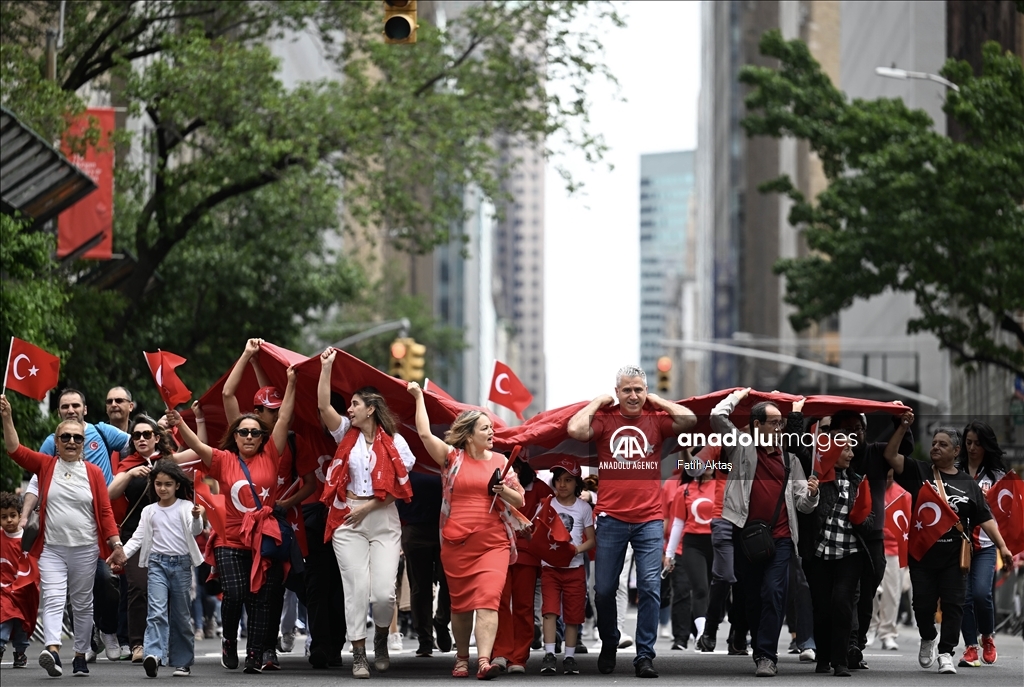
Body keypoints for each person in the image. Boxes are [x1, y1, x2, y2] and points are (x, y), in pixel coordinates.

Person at [566, 365, 696, 678]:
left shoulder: (656, 420)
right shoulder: (604, 420)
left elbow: (689, 419)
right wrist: (597, 402)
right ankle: (609, 641)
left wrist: (657, 401)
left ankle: (644, 656)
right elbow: (574, 429)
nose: (633, 395)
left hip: (650, 520)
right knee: (604, 589)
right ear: (618, 392)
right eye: (627, 390)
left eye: (639, 389)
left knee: (651, 588)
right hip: (610, 519)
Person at [165, 367, 296, 675]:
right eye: (243, 432)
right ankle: (228, 639)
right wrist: (179, 424)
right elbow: (197, 447)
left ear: (263, 436)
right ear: (234, 436)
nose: (249, 436)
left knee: (263, 599)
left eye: (254, 432)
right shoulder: (223, 460)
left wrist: (291, 382)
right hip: (230, 540)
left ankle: (254, 655)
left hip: (264, 539)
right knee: (236, 594)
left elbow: (286, 416)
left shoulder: (272, 454)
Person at [0, 394, 128, 678]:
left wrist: (116, 545)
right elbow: (15, 450)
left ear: (84, 443)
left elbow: (105, 513)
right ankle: (54, 650)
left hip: (85, 549)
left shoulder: (94, 473)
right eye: (66, 438)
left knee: (83, 604)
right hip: (52, 549)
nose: (71, 442)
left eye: (77, 439)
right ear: (56, 443)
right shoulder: (46, 466)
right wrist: (7, 417)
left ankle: (80, 655)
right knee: (55, 598)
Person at [408, 382, 527, 680]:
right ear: (469, 433)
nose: (491, 432)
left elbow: (520, 498)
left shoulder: (501, 462)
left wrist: (503, 490)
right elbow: (424, 434)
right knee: (460, 606)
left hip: (493, 543)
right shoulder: (452, 458)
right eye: (485, 428)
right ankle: (462, 658)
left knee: (488, 598)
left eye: (491, 428)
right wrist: (418, 398)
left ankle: (483, 661)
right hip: (456, 543)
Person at [883, 416, 1014, 674]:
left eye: (943, 444)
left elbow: (986, 518)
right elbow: (890, 455)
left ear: (956, 451)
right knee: (922, 605)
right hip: (922, 556)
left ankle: (945, 652)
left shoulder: (968, 483)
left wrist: (1003, 547)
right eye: (933, 443)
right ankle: (928, 637)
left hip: (955, 557)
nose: (935, 447)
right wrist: (903, 427)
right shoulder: (917, 471)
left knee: (955, 605)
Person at [317, 347, 415, 679]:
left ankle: (382, 637)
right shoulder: (346, 434)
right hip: (347, 518)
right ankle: (358, 653)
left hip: (383, 519)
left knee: (384, 593)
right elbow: (323, 405)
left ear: (370, 409)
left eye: (356, 404)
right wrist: (326, 367)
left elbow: (399, 490)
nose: (350, 409)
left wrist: (370, 506)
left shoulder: (398, 444)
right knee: (356, 588)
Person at [223, 339, 318, 670]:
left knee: (274, 587)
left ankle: (265, 649)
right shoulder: (238, 442)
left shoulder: (283, 441)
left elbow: (309, 482)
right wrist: (249, 357)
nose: (273, 417)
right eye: (267, 411)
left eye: (277, 412)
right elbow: (227, 397)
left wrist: (283, 504)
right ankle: (233, 639)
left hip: (277, 525)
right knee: (239, 592)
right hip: (238, 530)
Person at [712, 388, 819, 678]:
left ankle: (766, 655)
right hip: (746, 538)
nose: (779, 428)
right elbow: (716, 415)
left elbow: (803, 504)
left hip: (782, 537)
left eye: (781, 423)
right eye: (773, 422)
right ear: (756, 425)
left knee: (774, 592)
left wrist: (811, 495)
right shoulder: (741, 447)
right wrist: (739, 396)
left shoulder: (791, 459)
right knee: (751, 597)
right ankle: (758, 646)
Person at [108, 413, 200, 662]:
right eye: (136, 435)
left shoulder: (167, 461)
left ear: (156, 438)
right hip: (136, 535)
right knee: (138, 587)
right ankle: (138, 645)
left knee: (171, 600)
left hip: (169, 540)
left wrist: (196, 420)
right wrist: (130, 474)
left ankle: (167, 645)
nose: (141, 439)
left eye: (146, 434)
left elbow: (199, 449)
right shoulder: (127, 463)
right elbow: (110, 493)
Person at [831, 406, 913, 670]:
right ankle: (843, 645)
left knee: (866, 595)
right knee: (845, 595)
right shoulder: (831, 455)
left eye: (858, 428)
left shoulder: (878, 452)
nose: (853, 434)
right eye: (846, 429)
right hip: (838, 536)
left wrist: (899, 421)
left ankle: (857, 644)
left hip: (873, 536)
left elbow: (905, 449)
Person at [800, 432, 870, 677]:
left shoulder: (858, 481)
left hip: (851, 553)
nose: (851, 454)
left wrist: (861, 520)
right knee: (822, 608)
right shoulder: (818, 479)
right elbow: (806, 513)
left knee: (842, 603)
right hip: (820, 554)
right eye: (846, 449)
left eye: (852, 450)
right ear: (831, 452)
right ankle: (823, 658)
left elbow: (870, 516)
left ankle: (840, 660)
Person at [493, 457, 553, 673]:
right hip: (497, 547)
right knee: (499, 603)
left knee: (523, 605)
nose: (514, 472)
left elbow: (550, 519)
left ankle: (518, 656)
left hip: (527, 553)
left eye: (518, 467)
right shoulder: (494, 484)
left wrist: (533, 534)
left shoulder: (540, 488)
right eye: (511, 467)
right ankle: (500, 652)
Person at [956, 421, 1008, 667]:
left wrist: (991, 501)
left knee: (981, 594)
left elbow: (1008, 511)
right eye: (968, 443)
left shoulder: (997, 475)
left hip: (986, 545)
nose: (973, 447)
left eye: (978, 443)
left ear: (986, 445)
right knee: (964, 598)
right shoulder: (954, 470)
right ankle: (970, 647)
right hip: (959, 543)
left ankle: (987, 636)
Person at [539, 459, 595, 676]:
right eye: (558, 480)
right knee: (549, 611)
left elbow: (591, 540)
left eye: (568, 480)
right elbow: (538, 533)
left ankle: (569, 657)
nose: (562, 485)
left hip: (575, 568)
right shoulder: (547, 504)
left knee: (573, 615)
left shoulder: (584, 508)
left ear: (577, 483)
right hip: (550, 568)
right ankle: (550, 653)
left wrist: (576, 550)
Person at [663, 463, 718, 653]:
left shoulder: (723, 486)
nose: (708, 465)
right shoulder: (684, 490)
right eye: (702, 462)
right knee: (699, 588)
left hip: (718, 544)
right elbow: (677, 523)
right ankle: (702, 635)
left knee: (719, 590)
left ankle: (710, 630)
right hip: (693, 545)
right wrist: (669, 554)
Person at [867, 470, 909, 651]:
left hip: (893, 549)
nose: (888, 478)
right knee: (871, 591)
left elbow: (908, 524)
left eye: (891, 474)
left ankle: (888, 633)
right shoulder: (871, 489)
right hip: (873, 545)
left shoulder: (903, 494)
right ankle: (870, 629)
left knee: (892, 594)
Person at [0, 491, 37, 669]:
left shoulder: (27, 538)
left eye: (13, 515)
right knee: (5, 616)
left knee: (22, 621)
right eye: (4, 517)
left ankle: (20, 653)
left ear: (20, 515)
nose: (9, 520)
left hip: (23, 589)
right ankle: (0, 645)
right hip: (4, 589)